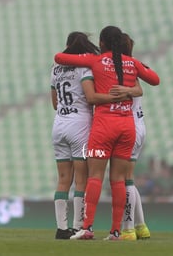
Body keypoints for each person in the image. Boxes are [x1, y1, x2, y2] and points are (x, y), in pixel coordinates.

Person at [55, 25, 159, 240]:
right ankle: (116, 231)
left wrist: (80, 50)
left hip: (104, 128)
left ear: (102, 43)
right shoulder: (132, 63)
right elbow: (154, 79)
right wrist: (130, 90)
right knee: (119, 180)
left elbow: (59, 58)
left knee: (95, 177)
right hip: (127, 128)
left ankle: (87, 227)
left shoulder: (96, 61)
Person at [50, 31, 129, 239]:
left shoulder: (56, 69)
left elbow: (54, 102)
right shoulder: (83, 68)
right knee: (81, 179)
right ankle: (78, 227)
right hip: (80, 126)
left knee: (63, 179)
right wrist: (114, 98)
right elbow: (91, 97)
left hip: (59, 124)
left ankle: (61, 228)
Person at [108, 33, 151, 240]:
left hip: (129, 127)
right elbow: (141, 88)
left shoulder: (119, 72)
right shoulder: (132, 69)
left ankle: (128, 229)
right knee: (128, 180)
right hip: (138, 125)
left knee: (124, 180)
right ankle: (141, 226)